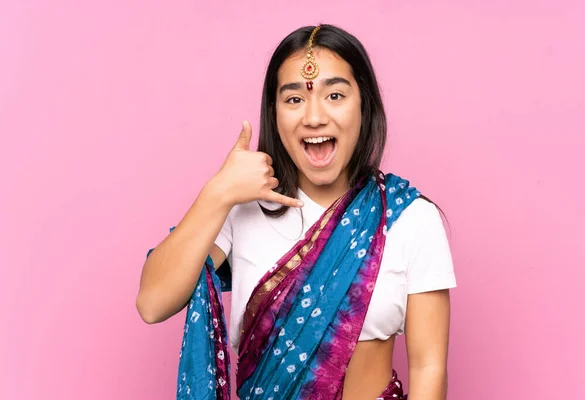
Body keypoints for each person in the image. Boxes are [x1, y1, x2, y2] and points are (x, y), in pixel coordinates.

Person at [136, 24, 457, 400]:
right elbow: (153, 303)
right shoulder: (242, 209)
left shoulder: (408, 218)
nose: (314, 117)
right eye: (294, 100)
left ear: (364, 105)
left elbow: (428, 367)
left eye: (335, 95)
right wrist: (218, 192)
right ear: (274, 113)